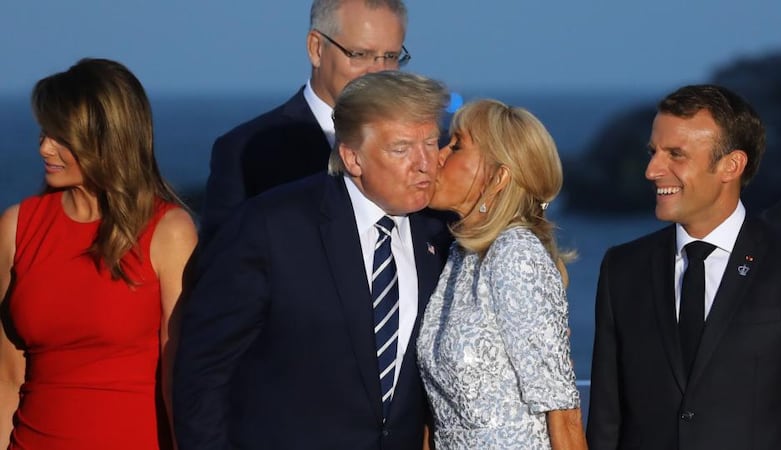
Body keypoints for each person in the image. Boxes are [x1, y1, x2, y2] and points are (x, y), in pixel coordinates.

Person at [172, 70, 451, 450]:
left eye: (431, 144)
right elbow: (203, 371)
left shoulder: (440, 233)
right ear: (353, 157)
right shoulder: (269, 227)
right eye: (401, 149)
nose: (424, 164)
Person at [587, 85, 781, 449]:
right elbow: (607, 418)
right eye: (653, 153)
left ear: (730, 166)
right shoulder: (622, 270)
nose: (652, 170)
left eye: (675, 154)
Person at [0, 58, 197, 449]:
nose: (44, 147)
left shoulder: (168, 232)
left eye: (61, 137)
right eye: (44, 132)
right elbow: (7, 375)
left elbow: (182, 376)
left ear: (107, 140)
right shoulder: (17, 226)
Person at [416, 99, 587, 449]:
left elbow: (563, 411)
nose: (439, 154)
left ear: (498, 178)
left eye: (458, 145)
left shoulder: (516, 252)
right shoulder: (459, 256)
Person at [200, 0, 411, 240]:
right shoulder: (245, 152)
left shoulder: (427, 152)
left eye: (391, 56)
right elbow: (223, 267)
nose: (378, 72)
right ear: (316, 48)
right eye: (360, 54)